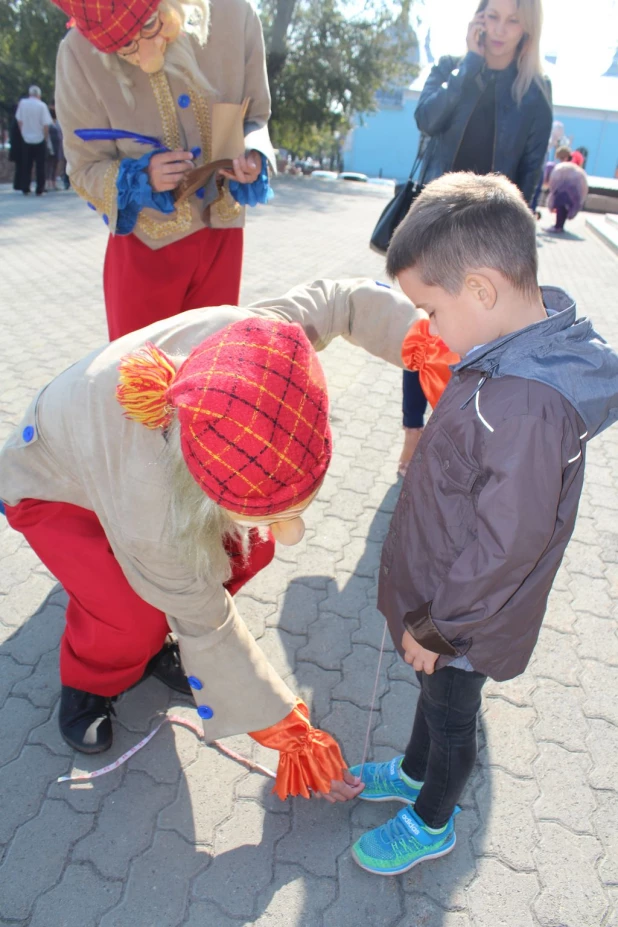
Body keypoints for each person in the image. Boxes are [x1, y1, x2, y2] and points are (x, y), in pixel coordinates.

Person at [0, 278, 420, 801]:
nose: (296, 536)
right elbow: (206, 617)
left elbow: (343, 301)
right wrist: (289, 733)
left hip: (121, 453)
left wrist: (431, 347)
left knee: (253, 546)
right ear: (195, 476)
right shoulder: (147, 502)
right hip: (51, 482)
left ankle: (156, 649)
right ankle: (91, 679)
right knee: (128, 612)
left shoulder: (260, 343)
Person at [347, 173, 618, 875]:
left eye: (430, 310)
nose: (427, 330)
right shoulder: (506, 348)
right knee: (430, 692)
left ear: (482, 289)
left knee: (452, 712)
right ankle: (413, 772)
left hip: (463, 616)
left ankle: (433, 818)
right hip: (444, 594)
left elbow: (507, 546)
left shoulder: (529, 403)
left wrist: (437, 627)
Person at [53, 0, 276, 341]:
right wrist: (140, 179)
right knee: (142, 382)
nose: (147, 55)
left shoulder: (235, 12)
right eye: (124, 47)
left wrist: (253, 153)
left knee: (209, 378)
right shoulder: (77, 53)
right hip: (144, 250)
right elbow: (84, 169)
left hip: (223, 239)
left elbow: (256, 117)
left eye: (150, 26)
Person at [398, 0, 552, 478]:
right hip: (434, 228)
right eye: (492, 16)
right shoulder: (450, 69)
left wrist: (514, 253)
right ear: (477, 19)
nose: (500, 29)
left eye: (513, 20)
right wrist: (468, 65)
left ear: (527, 29)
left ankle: (466, 438)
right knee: (422, 335)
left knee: (480, 344)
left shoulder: (535, 92)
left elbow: (528, 178)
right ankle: (414, 433)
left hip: (489, 242)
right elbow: (427, 120)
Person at [15, 86, 53, 196]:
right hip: (39, 138)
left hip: (26, 138)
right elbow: (46, 124)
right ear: (39, 95)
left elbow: (19, 120)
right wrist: (45, 137)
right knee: (40, 166)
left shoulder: (22, 103)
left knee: (26, 165)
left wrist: (23, 133)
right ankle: (40, 188)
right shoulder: (42, 106)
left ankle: (25, 187)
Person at [544, 146, 589, 233]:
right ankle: (560, 225)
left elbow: (560, 176)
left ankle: (558, 227)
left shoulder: (565, 166)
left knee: (561, 204)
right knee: (565, 206)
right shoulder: (575, 162)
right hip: (575, 188)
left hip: (566, 187)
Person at [46, 106, 64, 191]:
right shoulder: (48, 124)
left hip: (58, 147)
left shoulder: (57, 123)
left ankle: (53, 182)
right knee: (49, 165)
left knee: (55, 165)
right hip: (50, 147)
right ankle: (48, 183)